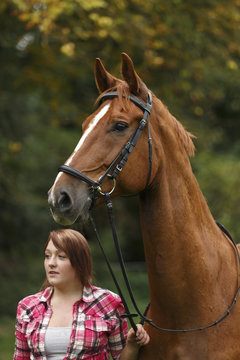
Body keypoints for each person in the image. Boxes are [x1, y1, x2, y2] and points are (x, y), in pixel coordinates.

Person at [14, 229, 150, 360]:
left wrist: (132, 345)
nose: (51, 263)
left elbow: (120, 357)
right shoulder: (28, 306)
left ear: (80, 262)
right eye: (47, 256)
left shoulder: (108, 302)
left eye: (61, 256)